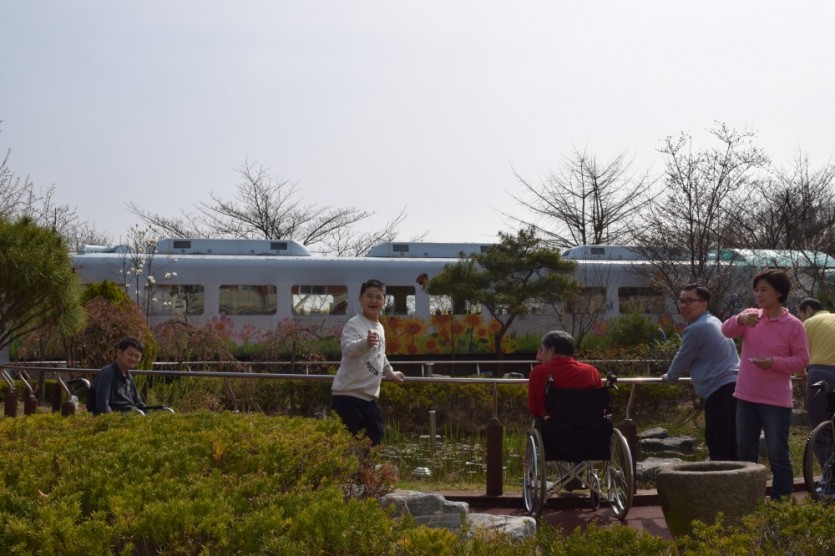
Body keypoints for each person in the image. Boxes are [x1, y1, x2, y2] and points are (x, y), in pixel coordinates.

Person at [722, 268, 809, 499]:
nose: (758, 295)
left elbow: (802, 360)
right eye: (756, 290)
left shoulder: (793, 325)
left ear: (779, 292)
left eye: (764, 290)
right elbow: (726, 330)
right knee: (745, 453)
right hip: (745, 395)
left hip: (775, 400)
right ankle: (749, 503)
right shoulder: (751, 316)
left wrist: (773, 362)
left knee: (778, 454)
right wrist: (740, 319)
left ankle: (781, 504)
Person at [662, 284, 739, 461]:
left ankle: (722, 477)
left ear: (703, 304)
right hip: (732, 385)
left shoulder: (696, 328)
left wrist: (670, 377)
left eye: (689, 301)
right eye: (681, 301)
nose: (683, 305)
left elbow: (683, 357)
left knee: (719, 443)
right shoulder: (713, 321)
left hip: (719, 389)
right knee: (731, 442)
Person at [331, 279, 405, 445]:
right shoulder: (354, 324)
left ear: (384, 301)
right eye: (369, 296)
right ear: (360, 298)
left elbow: (380, 355)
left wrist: (391, 374)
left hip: (369, 397)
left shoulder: (380, 327)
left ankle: (366, 464)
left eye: (378, 297)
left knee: (374, 439)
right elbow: (348, 349)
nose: (374, 300)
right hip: (348, 396)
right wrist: (365, 343)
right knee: (349, 446)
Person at [527, 330, 603, 419]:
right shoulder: (591, 372)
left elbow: (534, 410)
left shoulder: (538, 372)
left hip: (552, 426)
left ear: (551, 350)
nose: (541, 354)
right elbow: (600, 405)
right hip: (588, 426)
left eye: (542, 350)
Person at [94, 337, 148, 414]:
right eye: (130, 354)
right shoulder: (107, 373)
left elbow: (139, 403)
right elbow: (103, 406)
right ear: (119, 353)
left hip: (131, 416)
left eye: (137, 356)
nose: (133, 359)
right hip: (116, 418)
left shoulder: (129, 376)